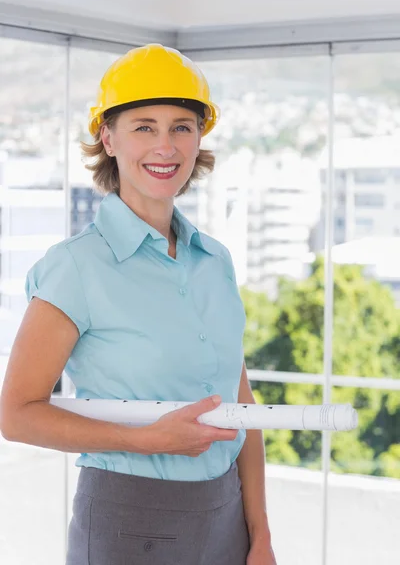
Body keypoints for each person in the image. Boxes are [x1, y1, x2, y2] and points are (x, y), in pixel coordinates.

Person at [0, 44, 276, 564]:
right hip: (130, 522)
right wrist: (148, 439)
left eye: (181, 126)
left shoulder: (216, 261)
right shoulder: (76, 267)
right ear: (108, 136)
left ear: (199, 139)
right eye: (144, 126)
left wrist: (260, 533)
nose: (165, 145)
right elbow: (17, 415)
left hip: (228, 516)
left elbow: (243, 409)